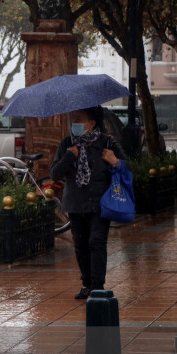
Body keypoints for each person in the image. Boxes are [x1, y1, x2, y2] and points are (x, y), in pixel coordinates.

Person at [50, 105, 127, 300]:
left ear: (92, 123)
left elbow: (128, 168)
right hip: (76, 203)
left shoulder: (107, 143)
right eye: (73, 120)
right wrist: (70, 155)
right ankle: (86, 284)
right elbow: (55, 173)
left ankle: (97, 286)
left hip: (101, 202)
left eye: (79, 120)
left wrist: (115, 162)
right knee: (81, 244)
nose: (75, 124)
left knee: (97, 242)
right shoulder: (67, 143)